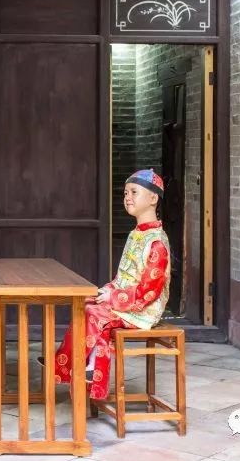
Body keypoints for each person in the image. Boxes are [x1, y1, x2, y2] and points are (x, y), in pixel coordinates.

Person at [48, 169, 171, 401]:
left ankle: (78, 366)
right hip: (127, 300)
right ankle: (82, 366)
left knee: (95, 313)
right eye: (125, 193)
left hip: (143, 308)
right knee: (85, 303)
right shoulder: (136, 235)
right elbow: (123, 277)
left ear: (153, 198)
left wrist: (114, 299)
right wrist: (108, 290)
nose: (128, 198)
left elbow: (149, 291)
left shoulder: (156, 242)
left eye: (134, 192)